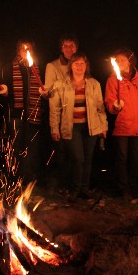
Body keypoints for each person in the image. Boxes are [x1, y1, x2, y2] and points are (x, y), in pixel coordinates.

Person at [48, 52, 108, 200]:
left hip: (90, 127)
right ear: (71, 66)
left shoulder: (94, 84)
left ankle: (84, 189)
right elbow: (55, 109)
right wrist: (54, 128)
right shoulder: (61, 85)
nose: (79, 67)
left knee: (88, 159)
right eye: (76, 64)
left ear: (86, 66)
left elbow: (100, 108)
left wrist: (103, 126)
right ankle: (75, 189)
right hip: (72, 127)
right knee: (78, 159)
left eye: (82, 64)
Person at [104, 48, 138, 203]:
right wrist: (114, 107)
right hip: (123, 125)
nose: (119, 63)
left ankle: (133, 187)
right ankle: (123, 189)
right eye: (117, 60)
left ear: (130, 61)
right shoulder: (112, 79)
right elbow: (109, 101)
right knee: (122, 158)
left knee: (134, 158)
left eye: (122, 60)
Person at [0, 39, 49, 185]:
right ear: (18, 51)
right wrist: (3, 92)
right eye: (22, 49)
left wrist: (46, 94)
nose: (25, 51)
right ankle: (14, 180)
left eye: (28, 49)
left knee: (32, 149)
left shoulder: (38, 68)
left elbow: (45, 92)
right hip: (16, 115)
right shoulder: (9, 68)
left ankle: (29, 181)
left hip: (34, 114)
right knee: (15, 149)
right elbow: (1, 91)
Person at [43, 33, 79, 191]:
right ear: (61, 48)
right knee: (61, 154)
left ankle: (73, 184)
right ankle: (58, 185)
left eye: (72, 46)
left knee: (75, 154)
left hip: (77, 116)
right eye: (65, 46)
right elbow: (50, 94)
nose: (69, 49)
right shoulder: (53, 66)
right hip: (61, 116)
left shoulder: (80, 64)